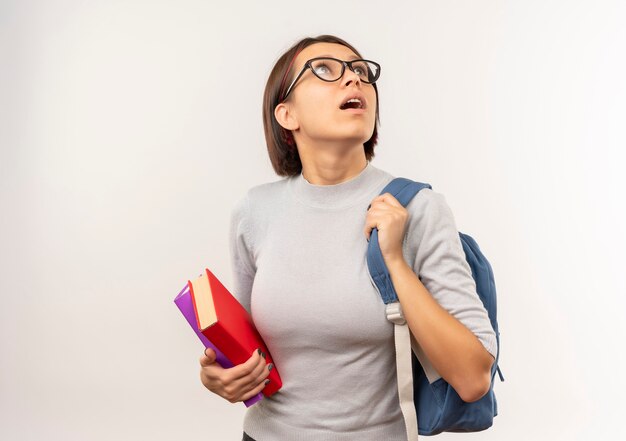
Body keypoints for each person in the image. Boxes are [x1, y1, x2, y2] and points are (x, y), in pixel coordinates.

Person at [198, 35, 497, 441]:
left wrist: (394, 261)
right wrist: (221, 375)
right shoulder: (254, 212)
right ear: (286, 115)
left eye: (361, 71)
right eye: (325, 70)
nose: (354, 80)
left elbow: (473, 378)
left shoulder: (419, 208)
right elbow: (252, 348)